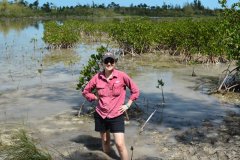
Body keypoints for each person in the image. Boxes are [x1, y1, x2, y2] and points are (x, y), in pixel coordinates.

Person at [82, 52, 140, 160]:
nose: (109, 63)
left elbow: (135, 91)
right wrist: (95, 97)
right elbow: (85, 91)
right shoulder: (97, 77)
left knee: (119, 144)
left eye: (111, 61)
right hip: (101, 114)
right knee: (105, 141)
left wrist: (128, 105)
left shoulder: (122, 76)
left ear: (114, 62)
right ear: (103, 63)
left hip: (116, 115)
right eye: (106, 61)